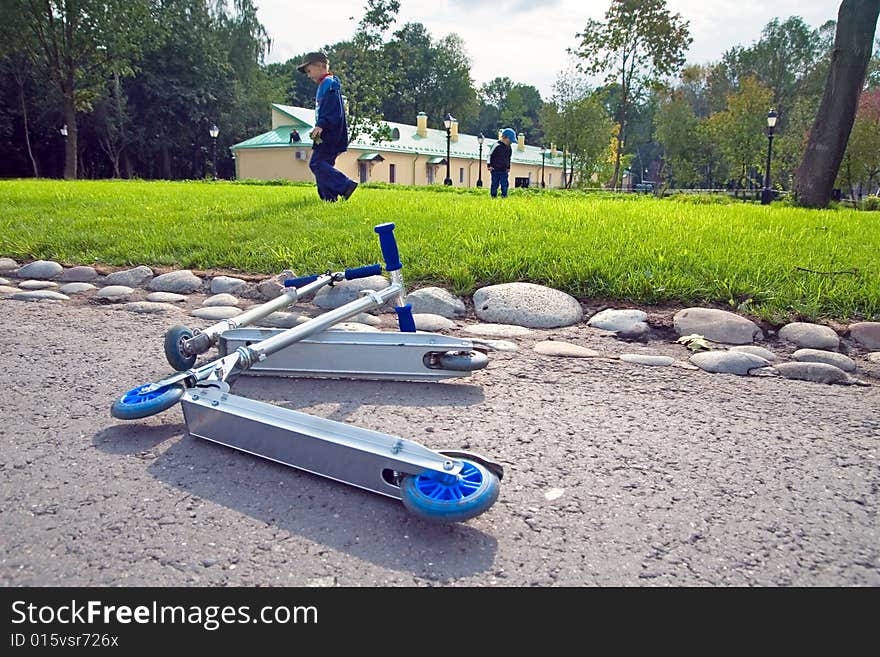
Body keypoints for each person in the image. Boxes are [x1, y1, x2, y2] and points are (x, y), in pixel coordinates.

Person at [296, 51, 357, 202]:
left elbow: (332, 110)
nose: (308, 75)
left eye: (309, 71)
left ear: (321, 66)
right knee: (324, 166)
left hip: (331, 133)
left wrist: (321, 125)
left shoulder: (330, 84)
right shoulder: (324, 85)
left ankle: (345, 185)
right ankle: (329, 199)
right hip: (327, 133)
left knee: (316, 163)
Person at [487, 128, 516, 198]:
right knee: (495, 183)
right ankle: (493, 196)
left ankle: (504, 195)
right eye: (510, 140)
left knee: (505, 183)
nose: (511, 142)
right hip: (495, 169)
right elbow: (490, 155)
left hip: (504, 170)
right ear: (505, 138)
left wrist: (508, 167)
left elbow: (508, 158)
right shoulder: (496, 145)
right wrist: (489, 165)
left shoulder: (509, 148)